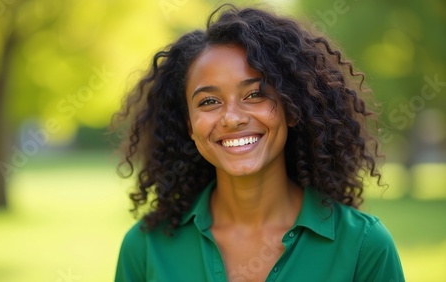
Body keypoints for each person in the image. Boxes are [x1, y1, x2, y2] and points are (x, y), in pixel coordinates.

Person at [111, 4, 405, 282]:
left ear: (291, 109)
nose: (232, 118)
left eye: (255, 94)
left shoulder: (364, 247)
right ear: (189, 126)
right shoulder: (146, 248)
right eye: (209, 101)